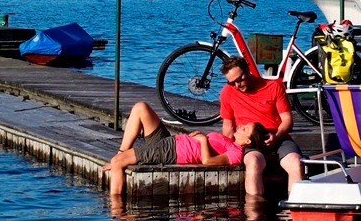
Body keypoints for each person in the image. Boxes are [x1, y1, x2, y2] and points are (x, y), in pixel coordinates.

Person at [102, 101, 241, 196]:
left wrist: (203, 140)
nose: (242, 126)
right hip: (171, 140)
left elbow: (207, 161)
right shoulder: (231, 142)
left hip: (173, 151)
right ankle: (121, 153)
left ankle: (117, 217)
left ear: (248, 140)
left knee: (117, 162)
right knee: (140, 107)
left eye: (246, 128)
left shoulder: (236, 153)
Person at [219, 59, 302, 197]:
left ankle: (296, 208)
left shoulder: (273, 86)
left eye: (239, 80)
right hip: (251, 141)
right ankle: (254, 214)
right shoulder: (227, 92)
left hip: (278, 137)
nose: (237, 85)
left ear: (247, 70)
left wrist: (277, 136)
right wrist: (227, 151)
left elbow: (287, 120)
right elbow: (228, 126)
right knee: (253, 162)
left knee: (296, 163)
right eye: (232, 82)